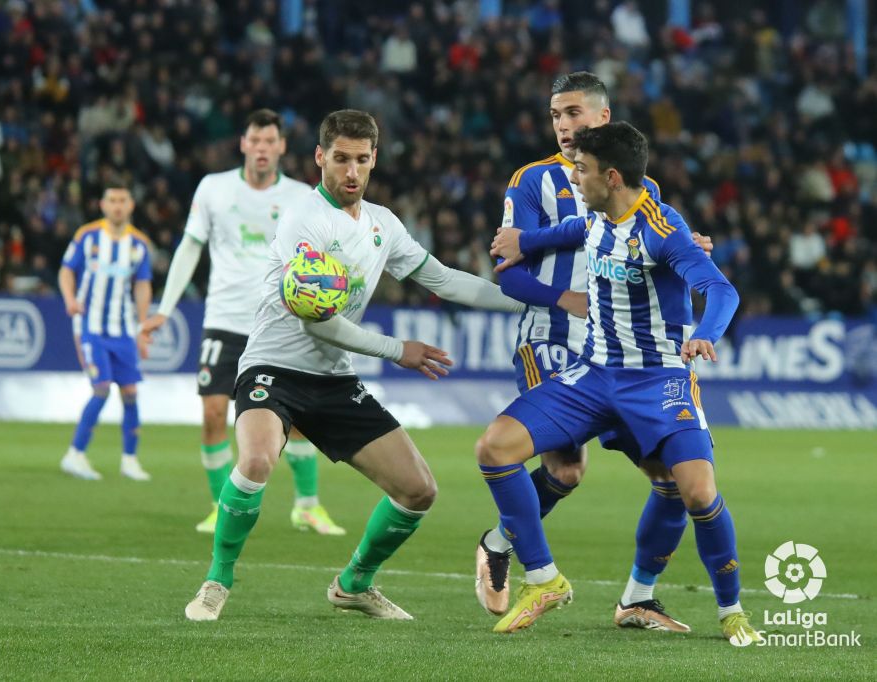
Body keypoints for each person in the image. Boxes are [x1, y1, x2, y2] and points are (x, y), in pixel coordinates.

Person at [184, 109, 525, 622]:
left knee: (418, 490)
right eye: (340, 159)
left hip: (333, 379)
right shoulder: (304, 220)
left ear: (373, 161)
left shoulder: (382, 224)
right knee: (256, 461)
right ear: (320, 157)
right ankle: (217, 580)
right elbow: (317, 324)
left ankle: (354, 584)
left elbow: (447, 280)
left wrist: (536, 303)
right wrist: (397, 350)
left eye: (361, 160)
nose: (350, 171)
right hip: (273, 369)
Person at [482, 121, 762, 644]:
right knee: (495, 448)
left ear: (611, 177)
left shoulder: (661, 229)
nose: (573, 181)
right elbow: (572, 232)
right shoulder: (595, 214)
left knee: (696, 492)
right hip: (593, 374)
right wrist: (527, 240)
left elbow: (720, 291)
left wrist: (704, 334)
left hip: (659, 379)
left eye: (581, 172)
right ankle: (543, 580)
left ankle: (730, 609)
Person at [141, 109, 344, 536]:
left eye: (271, 141)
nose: (263, 149)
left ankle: (307, 505)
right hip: (225, 318)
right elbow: (190, 247)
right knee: (214, 413)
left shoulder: (302, 196)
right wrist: (165, 306)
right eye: (256, 140)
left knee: (301, 418)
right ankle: (220, 505)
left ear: (282, 147)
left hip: (281, 323)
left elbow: (326, 257)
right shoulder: (213, 189)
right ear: (243, 144)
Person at [58, 183, 153, 482]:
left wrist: (141, 328)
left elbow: (142, 285)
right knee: (101, 387)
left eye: (122, 200)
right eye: (112, 200)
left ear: (131, 205)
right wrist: (70, 299)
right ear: (102, 204)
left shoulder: (138, 244)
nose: (117, 206)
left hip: (123, 329)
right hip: (91, 327)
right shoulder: (87, 236)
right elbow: (65, 270)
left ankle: (129, 460)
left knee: (130, 391)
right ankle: (75, 454)